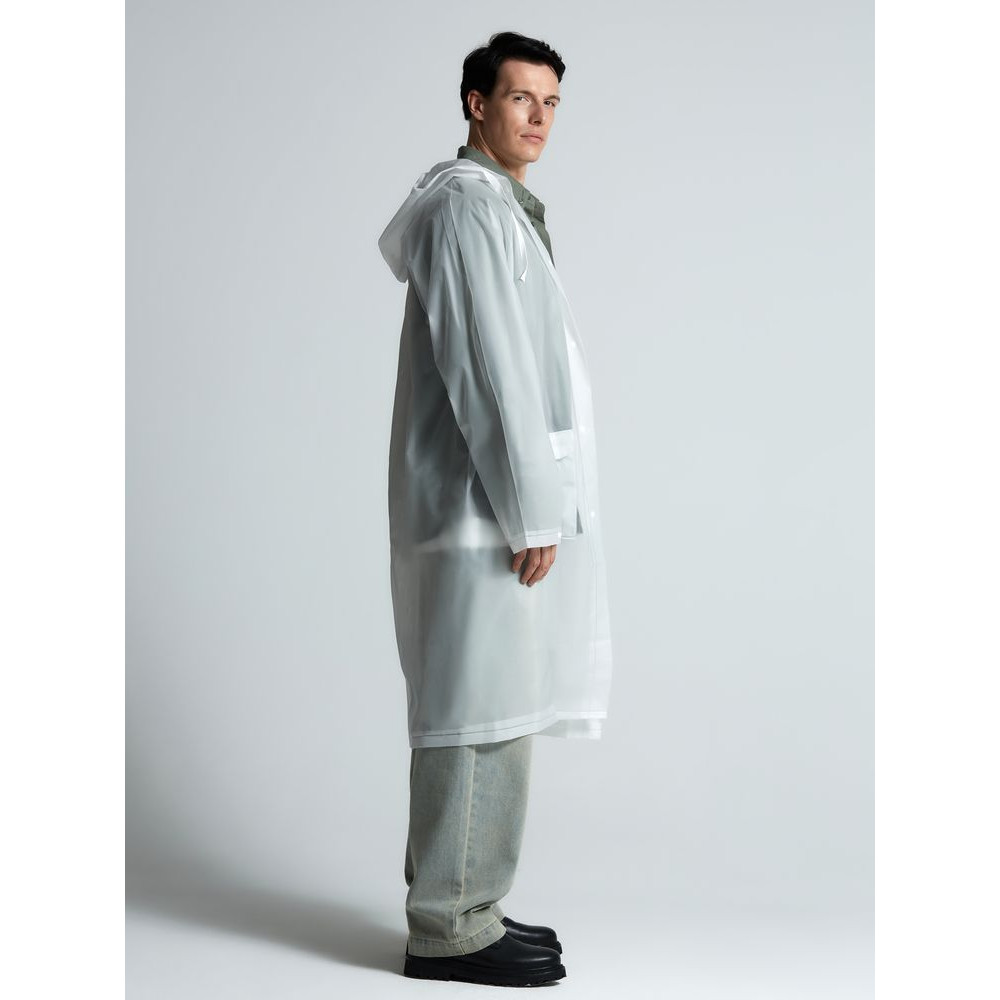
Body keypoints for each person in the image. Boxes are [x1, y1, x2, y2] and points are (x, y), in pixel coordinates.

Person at [377, 30, 614, 987]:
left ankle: (470, 904)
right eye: (521, 98)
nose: (539, 118)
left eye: (552, 103)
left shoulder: (497, 209)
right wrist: (532, 509)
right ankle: (449, 928)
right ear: (476, 103)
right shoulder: (469, 210)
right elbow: (490, 367)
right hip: (480, 504)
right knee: (472, 714)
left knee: (496, 706)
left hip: (488, 499)